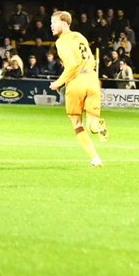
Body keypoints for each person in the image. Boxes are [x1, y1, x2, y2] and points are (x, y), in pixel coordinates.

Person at [49, 10, 108, 167]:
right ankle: (99, 127)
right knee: (91, 125)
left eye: (53, 23)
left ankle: (95, 158)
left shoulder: (61, 42)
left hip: (77, 83)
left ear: (63, 23)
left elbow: (72, 65)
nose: (51, 26)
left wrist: (58, 82)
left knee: (77, 124)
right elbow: (92, 60)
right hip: (93, 80)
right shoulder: (80, 36)